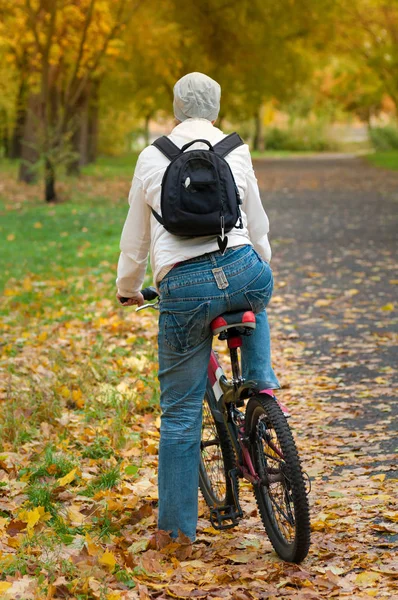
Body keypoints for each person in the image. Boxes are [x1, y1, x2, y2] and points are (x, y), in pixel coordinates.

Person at [116, 72, 279, 542]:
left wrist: (128, 286)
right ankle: (263, 388)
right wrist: (259, 262)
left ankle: (177, 535)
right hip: (243, 268)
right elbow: (258, 221)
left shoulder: (153, 156)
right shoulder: (236, 148)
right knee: (255, 289)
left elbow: (137, 238)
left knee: (181, 413)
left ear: (175, 107)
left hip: (184, 288)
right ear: (217, 106)